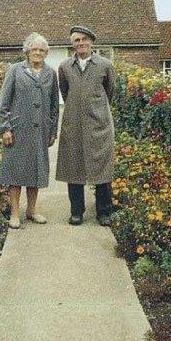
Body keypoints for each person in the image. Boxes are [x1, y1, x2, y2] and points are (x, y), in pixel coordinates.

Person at [0, 32, 60, 229]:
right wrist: (5, 128)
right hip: (17, 130)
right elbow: (3, 102)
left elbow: (54, 106)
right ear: (27, 51)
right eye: (34, 49)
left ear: (46, 53)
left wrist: (53, 131)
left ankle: (31, 211)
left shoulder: (51, 73)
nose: (37, 53)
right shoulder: (15, 70)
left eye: (41, 50)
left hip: (40, 131)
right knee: (15, 172)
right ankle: (15, 214)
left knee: (36, 170)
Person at [55, 26, 115, 226]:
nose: (80, 43)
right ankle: (76, 212)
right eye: (76, 40)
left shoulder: (105, 65)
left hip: (99, 125)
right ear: (72, 44)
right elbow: (65, 92)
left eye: (84, 39)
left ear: (91, 42)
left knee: (102, 167)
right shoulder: (65, 67)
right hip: (73, 125)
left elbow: (110, 92)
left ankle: (104, 212)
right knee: (73, 167)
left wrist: (96, 110)